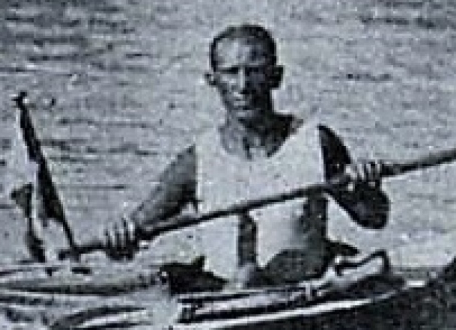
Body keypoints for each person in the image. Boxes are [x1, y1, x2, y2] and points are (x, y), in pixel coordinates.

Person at [100, 24, 391, 291]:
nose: (243, 86)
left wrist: (365, 184)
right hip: (224, 300)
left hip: (302, 296)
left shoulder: (315, 142)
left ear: (276, 77)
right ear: (212, 80)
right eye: (231, 72)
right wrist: (118, 236)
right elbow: (133, 236)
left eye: (254, 71)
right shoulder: (196, 161)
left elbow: (374, 218)